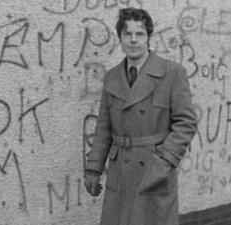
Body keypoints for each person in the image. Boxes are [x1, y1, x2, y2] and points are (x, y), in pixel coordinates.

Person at [84, 7, 198, 225]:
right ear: (120, 38)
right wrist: (93, 169)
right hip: (120, 173)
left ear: (148, 37)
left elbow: (186, 122)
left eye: (140, 34)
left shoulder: (172, 73)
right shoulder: (112, 78)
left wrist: (164, 161)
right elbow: (103, 129)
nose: (133, 40)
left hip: (154, 170)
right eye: (128, 34)